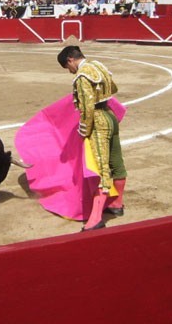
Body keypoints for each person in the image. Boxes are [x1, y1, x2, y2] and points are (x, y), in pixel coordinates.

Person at [57, 46, 127, 231]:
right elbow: (113, 88)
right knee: (116, 162)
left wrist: (84, 131)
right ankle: (116, 204)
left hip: (97, 122)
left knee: (99, 168)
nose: (69, 71)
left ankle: (96, 219)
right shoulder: (99, 66)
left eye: (67, 66)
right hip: (110, 116)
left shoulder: (81, 77)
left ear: (71, 60)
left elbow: (87, 108)